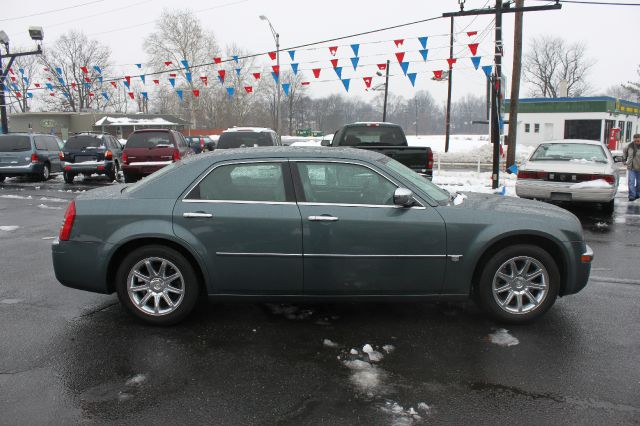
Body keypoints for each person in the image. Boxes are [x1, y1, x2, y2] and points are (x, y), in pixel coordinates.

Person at [623, 134, 640, 201]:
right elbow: (624, 152)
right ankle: (632, 195)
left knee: (639, 183)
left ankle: (638, 194)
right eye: (635, 141)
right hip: (631, 167)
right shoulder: (629, 146)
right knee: (631, 182)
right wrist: (624, 159)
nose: (636, 142)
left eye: (638, 141)